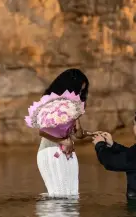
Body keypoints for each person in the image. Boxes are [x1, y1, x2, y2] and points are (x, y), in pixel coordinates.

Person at [37, 68, 93, 197]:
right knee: (58, 194)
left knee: (72, 193)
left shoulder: (73, 105)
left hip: (68, 150)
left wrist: (89, 133)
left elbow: (78, 134)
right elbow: (42, 131)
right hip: (51, 150)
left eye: (82, 90)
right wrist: (61, 141)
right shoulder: (50, 102)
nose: (80, 93)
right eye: (78, 89)